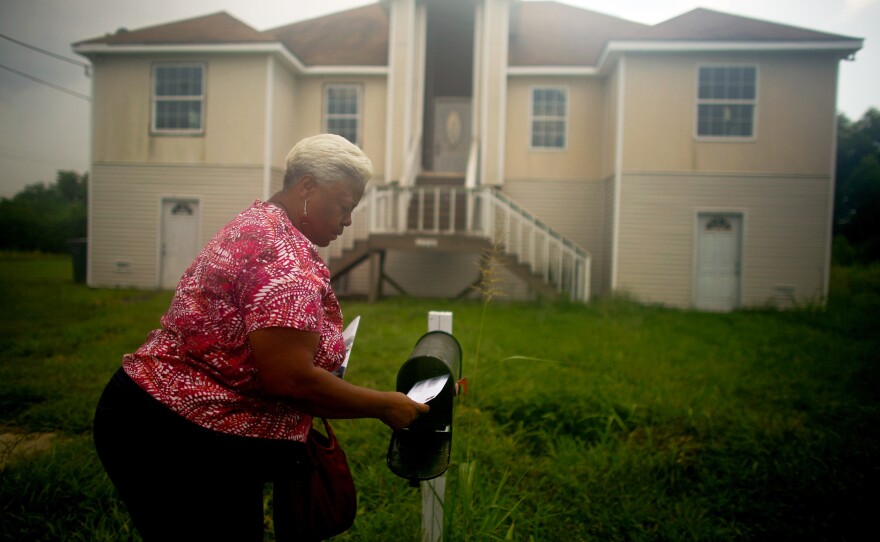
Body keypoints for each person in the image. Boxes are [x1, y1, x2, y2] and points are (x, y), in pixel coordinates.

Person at [93, 134, 429, 541]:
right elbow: (290, 381)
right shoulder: (282, 258)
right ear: (307, 187)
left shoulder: (259, 223)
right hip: (172, 433)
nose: (347, 221)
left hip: (158, 414)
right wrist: (386, 406)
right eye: (344, 206)